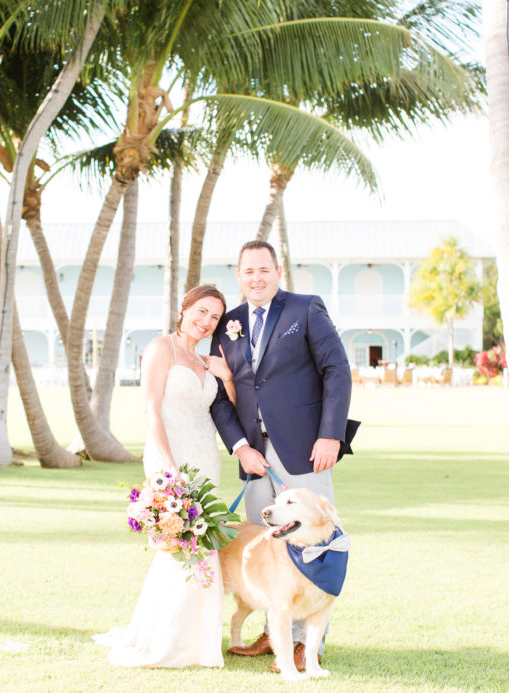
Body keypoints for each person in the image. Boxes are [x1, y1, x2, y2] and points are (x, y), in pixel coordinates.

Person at [209, 240, 352, 671]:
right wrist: (240, 446)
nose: (257, 277)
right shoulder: (228, 323)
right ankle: (275, 633)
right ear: (238, 275)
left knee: (314, 543)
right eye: (248, 271)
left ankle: (308, 646)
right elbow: (220, 395)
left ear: (278, 272)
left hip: (305, 448)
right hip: (254, 455)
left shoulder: (305, 309)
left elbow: (337, 371)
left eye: (264, 270)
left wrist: (331, 436)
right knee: (266, 545)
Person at [93, 285, 236, 668]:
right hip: (169, 456)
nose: (206, 322)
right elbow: (151, 411)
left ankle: (200, 643)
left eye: (214, 318)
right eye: (201, 311)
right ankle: (165, 639)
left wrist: (228, 378)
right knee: (177, 548)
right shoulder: (160, 348)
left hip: (206, 460)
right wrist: (168, 467)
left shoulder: (207, 361)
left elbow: (230, 410)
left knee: (203, 545)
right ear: (185, 308)